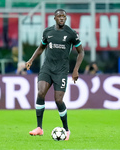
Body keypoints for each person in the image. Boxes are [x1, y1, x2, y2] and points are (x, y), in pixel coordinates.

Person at [26, 9, 84, 141]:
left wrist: (75, 70)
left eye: (64, 16)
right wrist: (31, 60)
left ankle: (67, 129)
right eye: (59, 16)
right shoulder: (48, 32)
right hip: (47, 68)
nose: (62, 18)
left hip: (61, 71)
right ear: (54, 18)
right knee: (40, 93)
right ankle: (39, 128)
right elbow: (41, 48)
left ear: (66, 18)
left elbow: (81, 52)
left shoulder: (71, 33)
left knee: (58, 100)